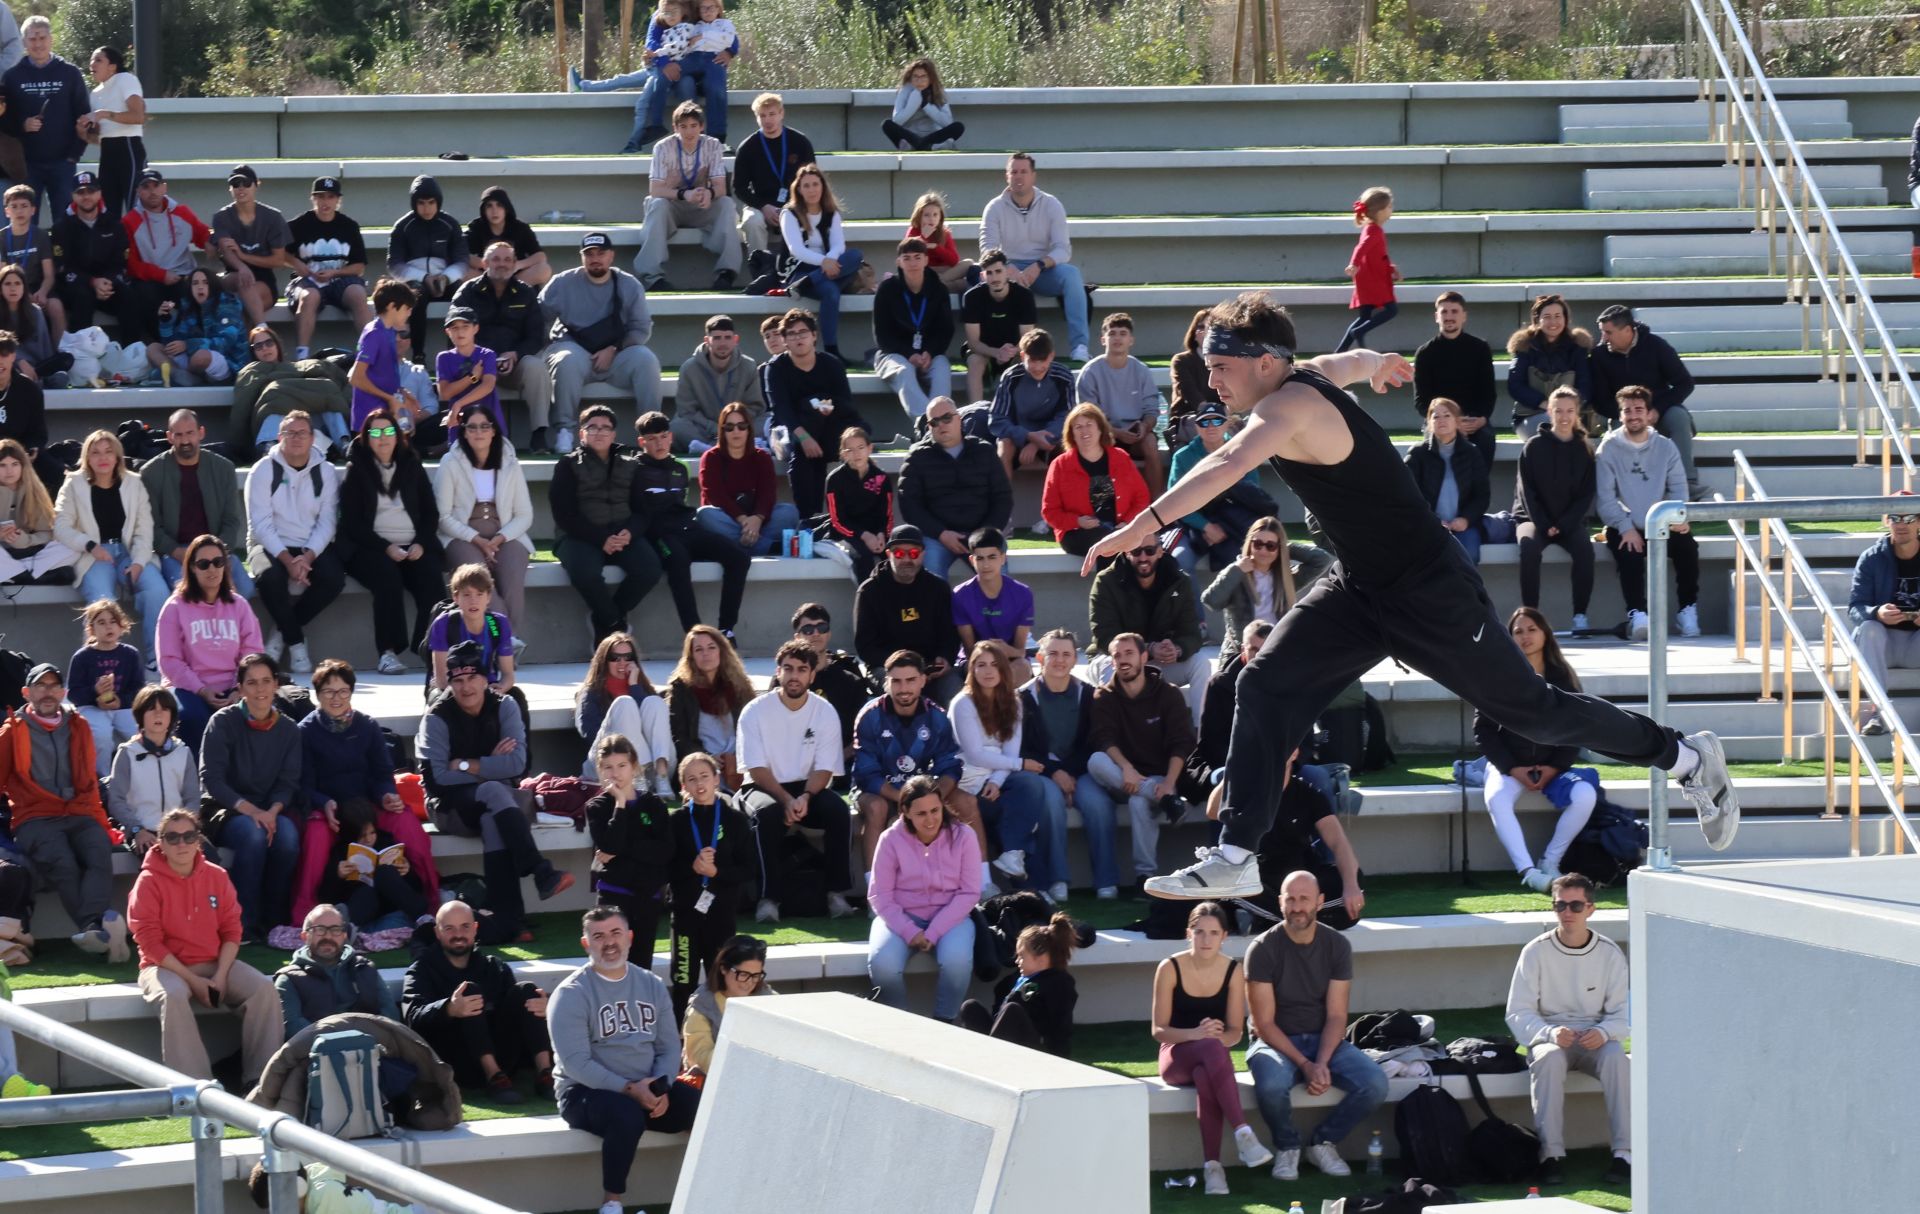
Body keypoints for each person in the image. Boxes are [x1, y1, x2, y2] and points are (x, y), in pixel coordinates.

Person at [1081, 292, 1736, 899]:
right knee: (1264, 684)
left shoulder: (1287, 406)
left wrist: (1140, 525)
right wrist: (1378, 363)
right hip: (1361, 586)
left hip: (1431, 591)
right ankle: (1237, 855)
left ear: (1264, 362)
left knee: (1535, 713)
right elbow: (1350, 359)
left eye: (1219, 366)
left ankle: (1684, 754)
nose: (1211, 380)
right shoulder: (1304, 375)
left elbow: (1225, 467)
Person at [417, 641, 574, 937]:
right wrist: (491, 764)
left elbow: (518, 764)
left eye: (473, 678)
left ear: (487, 677)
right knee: (493, 791)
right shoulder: (436, 717)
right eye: (458, 680)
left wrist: (464, 764)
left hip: (497, 807)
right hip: (448, 807)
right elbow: (437, 780)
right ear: (449, 683)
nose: (466, 687)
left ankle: (508, 921)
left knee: (493, 815)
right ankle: (539, 870)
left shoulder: (506, 705)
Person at [549, 906, 698, 1214]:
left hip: (649, 1088)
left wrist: (661, 1087)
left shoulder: (651, 984)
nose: (609, 942)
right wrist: (630, 1089)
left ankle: (705, 1196)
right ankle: (612, 1205)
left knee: (701, 1106)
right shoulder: (571, 994)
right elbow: (577, 1063)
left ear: (630, 937)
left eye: (616, 933)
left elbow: (670, 1047)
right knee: (626, 1114)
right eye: (599, 936)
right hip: (585, 1093)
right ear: (586, 944)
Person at [1242, 871, 1388, 1180]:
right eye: (1290, 899)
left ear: (1320, 902)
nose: (1297, 907)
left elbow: (1337, 1016)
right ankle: (1287, 1147)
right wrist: (1306, 1065)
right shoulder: (1262, 949)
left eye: (1304, 899)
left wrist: (1321, 1062)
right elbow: (1264, 1024)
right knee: (1271, 1085)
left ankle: (1323, 1142)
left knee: (1375, 1082)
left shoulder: (1337, 945)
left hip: (1325, 1039)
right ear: (1280, 903)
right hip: (1274, 1041)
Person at [129, 807, 284, 1082]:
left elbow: (232, 930)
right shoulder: (147, 882)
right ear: (161, 842)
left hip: (214, 962)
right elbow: (149, 942)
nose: (182, 843)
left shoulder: (217, 875)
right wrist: (193, 980)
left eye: (189, 836)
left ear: (199, 840)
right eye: (172, 837)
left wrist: (221, 975)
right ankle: (195, 1089)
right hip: (165, 967)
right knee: (173, 996)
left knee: (263, 989)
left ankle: (263, 1083)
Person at [1503, 872, 1632, 1188]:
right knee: (1547, 1059)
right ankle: (1550, 1155)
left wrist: (1602, 1033)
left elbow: (1623, 1013)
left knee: (1617, 1058)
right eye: (1561, 905)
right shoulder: (1535, 951)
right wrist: (1549, 1033)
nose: (1568, 913)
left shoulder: (1609, 953)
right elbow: (1517, 1012)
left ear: (1591, 909)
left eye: (1576, 906)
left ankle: (1625, 1155)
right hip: (1550, 1036)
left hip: (1596, 1037)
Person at [292, 658, 440, 928]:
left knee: (408, 823)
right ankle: (306, 911)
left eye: (342, 691)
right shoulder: (305, 732)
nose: (336, 698)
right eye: (328, 692)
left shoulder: (367, 726)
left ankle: (432, 900)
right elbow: (303, 784)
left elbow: (383, 774)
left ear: (351, 691)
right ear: (318, 694)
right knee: (314, 836)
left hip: (369, 806)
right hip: (331, 812)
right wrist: (324, 803)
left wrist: (386, 794)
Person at [1, 661, 123, 957]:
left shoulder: (78, 725)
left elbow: (90, 781)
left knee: (97, 849)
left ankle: (95, 930)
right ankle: (95, 925)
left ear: (63, 692)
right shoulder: (11, 731)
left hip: (79, 811)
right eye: (41, 686)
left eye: (54, 686)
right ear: (26, 692)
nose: (48, 692)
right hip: (34, 817)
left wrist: (100, 821)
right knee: (63, 862)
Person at [1153, 901, 1273, 1196]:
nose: (1205, 939)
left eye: (1213, 933)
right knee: (1209, 1047)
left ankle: (1214, 1171)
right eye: (1199, 932)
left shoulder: (1233, 970)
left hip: (1211, 1058)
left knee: (1208, 1069)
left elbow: (1233, 1033)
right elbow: (1158, 1031)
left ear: (1224, 937)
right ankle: (1243, 1133)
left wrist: (1212, 1039)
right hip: (1175, 1054)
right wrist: (1195, 1033)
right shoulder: (1169, 967)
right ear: (1188, 934)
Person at [1478, 607, 1601, 892]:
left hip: (1553, 768)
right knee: (1496, 798)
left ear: (1545, 633)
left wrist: (1555, 767)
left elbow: (1577, 726)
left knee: (1585, 795)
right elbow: (1483, 730)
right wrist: (1511, 768)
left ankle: (1550, 862)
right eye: (1518, 631)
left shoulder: (1563, 676)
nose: (1525, 636)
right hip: (1509, 766)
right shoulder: (1496, 675)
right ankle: (1529, 872)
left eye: (1532, 629)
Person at [738, 640, 856, 924]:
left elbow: (826, 769)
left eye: (802, 669)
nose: (794, 675)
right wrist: (786, 799)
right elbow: (755, 768)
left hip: (808, 787)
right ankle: (769, 899)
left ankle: (836, 894)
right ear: (778, 672)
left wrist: (803, 797)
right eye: (788, 668)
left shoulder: (824, 710)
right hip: (762, 786)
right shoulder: (755, 710)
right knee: (767, 815)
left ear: (812, 675)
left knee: (838, 811)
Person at [401, 899, 553, 1103]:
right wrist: (449, 1009)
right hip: (456, 1060)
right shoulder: (420, 970)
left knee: (528, 991)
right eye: (449, 929)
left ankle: (546, 1073)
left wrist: (547, 1008)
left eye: (464, 927)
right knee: (469, 992)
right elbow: (412, 1017)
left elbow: (516, 1015)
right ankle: (494, 1077)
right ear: (438, 932)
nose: (458, 935)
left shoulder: (494, 967)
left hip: (503, 1053)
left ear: (475, 929)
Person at [200, 652, 303, 941]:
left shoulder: (288, 729)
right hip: (225, 810)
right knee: (254, 835)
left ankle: (274, 920)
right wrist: (253, 812)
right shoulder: (222, 722)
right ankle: (242, 922)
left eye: (266, 682)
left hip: (271, 810)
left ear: (276, 685)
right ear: (240, 688)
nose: (260, 689)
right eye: (252, 683)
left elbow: (288, 781)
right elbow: (212, 779)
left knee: (289, 838)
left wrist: (271, 811)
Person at [1089, 632, 1198, 894]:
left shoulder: (1168, 694)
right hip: (1122, 776)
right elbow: (1104, 739)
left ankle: (1144, 878)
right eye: (1117, 655)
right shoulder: (1104, 696)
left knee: (1139, 800)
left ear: (1144, 657)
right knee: (1096, 761)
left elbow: (1182, 743)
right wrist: (1126, 768)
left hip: (1161, 778)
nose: (1123, 660)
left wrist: (1170, 783)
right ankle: (1167, 804)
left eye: (1129, 654)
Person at [339, 409, 446, 674]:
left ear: (398, 436)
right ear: (366, 438)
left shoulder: (411, 464)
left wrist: (421, 542)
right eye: (375, 432)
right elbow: (353, 524)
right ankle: (387, 652)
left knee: (433, 580)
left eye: (388, 431)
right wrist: (386, 548)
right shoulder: (356, 470)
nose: (382, 438)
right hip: (371, 548)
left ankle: (428, 647)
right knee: (387, 579)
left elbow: (430, 512)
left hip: (413, 546)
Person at [950, 641, 1058, 896]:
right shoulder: (962, 703)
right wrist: (1019, 765)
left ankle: (1014, 859)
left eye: (995, 665)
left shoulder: (1014, 702)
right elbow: (975, 755)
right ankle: (1032, 888)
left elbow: (1010, 751)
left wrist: (997, 782)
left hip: (996, 782)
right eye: (981, 665)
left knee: (1030, 785)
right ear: (971, 670)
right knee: (1016, 814)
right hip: (968, 784)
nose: (988, 671)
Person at [851, 651, 975, 874]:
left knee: (965, 801)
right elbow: (866, 774)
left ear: (923, 680)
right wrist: (905, 800)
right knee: (877, 808)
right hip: (879, 792)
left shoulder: (937, 717)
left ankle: (982, 882)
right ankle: (874, 890)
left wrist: (932, 798)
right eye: (896, 681)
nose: (903, 688)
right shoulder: (870, 716)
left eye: (910, 680)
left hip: (921, 793)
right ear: (886, 682)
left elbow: (950, 766)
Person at [53, 428, 168, 666]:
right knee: (102, 602)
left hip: (129, 552)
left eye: (108, 452)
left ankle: (155, 659)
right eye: (95, 452)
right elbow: (61, 526)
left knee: (157, 590)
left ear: (117, 456)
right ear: (86, 457)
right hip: (93, 555)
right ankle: (100, 663)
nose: (102, 458)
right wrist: (91, 545)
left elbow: (143, 529)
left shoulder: (134, 483)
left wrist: (138, 562)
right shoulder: (73, 483)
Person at [1020, 628, 1120, 898]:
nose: (1060, 660)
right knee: (1051, 804)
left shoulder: (1088, 694)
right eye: (1053, 653)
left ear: (1075, 660)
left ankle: (1106, 880)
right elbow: (1023, 747)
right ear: (1040, 658)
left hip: (1080, 771)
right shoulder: (1024, 697)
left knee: (1098, 805)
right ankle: (1058, 880)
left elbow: (1092, 742)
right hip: (1044, 773)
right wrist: (1055, 773)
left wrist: (1070, 774)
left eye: (1066, 654)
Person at [245, 411, 345, 675]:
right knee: (270, 579)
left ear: (313, 438)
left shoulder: (326, 471)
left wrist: (308, 557)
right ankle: (297, 643)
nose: (296, 438)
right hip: (267, 543)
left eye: (302, 433)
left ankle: (282, 632)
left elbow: (327, 522)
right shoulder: (263, 470)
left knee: (334, 579)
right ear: (279, 437)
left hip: (310, 545)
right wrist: (288, 561)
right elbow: (261, 524)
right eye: (290, 433)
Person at [635, 410, 751, 637]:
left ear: (670, 437)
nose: (659, 443)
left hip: (688, 528)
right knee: (678, 561)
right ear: (642, 442)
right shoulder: (633, 469)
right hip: (659, 535)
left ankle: (726, 630)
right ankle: (695, 636)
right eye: (652, 438)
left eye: (663, 436)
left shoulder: (680, 467)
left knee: (739, 558)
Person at [552, 403, 661, 640]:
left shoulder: (632, 465)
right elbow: (564, 515)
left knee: (649, 568)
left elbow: (643, 511)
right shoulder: (567, 465)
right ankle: (614, 624)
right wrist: (601, 539)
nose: (599, 432)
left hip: (622, 533)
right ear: (582, 433)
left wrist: (629, 533)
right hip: (579, 536)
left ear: (614, 434)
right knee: (586, 573)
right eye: (592, 427)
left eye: (605, 428)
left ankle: (606, 617)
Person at [1597, 386, 1699, 641]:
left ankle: (1687, 609)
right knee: (1629, 552)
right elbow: (1605, 498)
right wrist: (1625, 526)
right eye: (1627, 411)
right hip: (1625, 524)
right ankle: (1638, 613)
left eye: (1639, 410)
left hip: (1661, 522)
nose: (1633, 416)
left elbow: (1678, 488)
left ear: (1650, 414)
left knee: (1687, 547)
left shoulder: (1666, 447)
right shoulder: (1608, 448)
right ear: (1620, 415)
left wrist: (1678, 517)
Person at [541, 232, 664, 430]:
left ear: (611, 256)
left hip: (617, 354)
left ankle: (653, 429)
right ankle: (564, 430)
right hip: (574, 350)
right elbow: (539, 318)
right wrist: (547, 348)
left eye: (601, 253)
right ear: (582, 257)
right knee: (566, 360)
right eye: (589, 254)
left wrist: (615, 348)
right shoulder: (562, 283)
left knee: (646, 359)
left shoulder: (629, 284)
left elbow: (641, 328)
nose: (595, 259)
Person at [1086, 539, 1210, 725]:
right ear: (1126, 552)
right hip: (1115, 657)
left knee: (1201, 663)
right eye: (1136, 551)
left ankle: (1203, 740)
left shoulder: (1179, 580)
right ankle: (1114, 741)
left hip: (1160, 661)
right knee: (1110, 667)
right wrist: (1148, 649)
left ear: (1160, 552)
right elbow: (1105, 638)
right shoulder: (1106, 581)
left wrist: (1177, 649)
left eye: (1149, 550)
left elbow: (1192, 633)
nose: (1143, 557)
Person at [155, 534, 261, 750]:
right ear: (192, 568)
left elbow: (253, 655)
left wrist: (238, 689)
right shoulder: (174, 607)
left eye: (218, 562)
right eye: (203, 564)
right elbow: (170, 661)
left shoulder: (239, 605)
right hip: (189, 689)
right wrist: (202, 690)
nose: (212, 569)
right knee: (192, 719)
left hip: (235, 687)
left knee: (258, 715)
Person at [435, 401, 533, 631]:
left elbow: (524, 514)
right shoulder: (450, 462)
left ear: (494, 430)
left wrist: (500, 538)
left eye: (484, 426)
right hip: (462, 535)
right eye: (472, 427)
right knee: (479, 581)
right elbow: (443, 516)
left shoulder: (509, 461)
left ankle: (509, 643)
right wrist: (476, 539)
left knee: (512, 578)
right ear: (464, 432)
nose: (479, 432)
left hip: (504, 533)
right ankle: (505, 639)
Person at [667, 750, 753, 1012]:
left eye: (705, 776)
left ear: (717, 778)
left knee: (723, 983)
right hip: (685, 917)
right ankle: (683, 1043)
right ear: (684, 786)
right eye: (691, 779)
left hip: (721, 917)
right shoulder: (677, 821)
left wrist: (717, 873)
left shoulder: (735, 820)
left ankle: (721, 1040)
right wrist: (692, 867)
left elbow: (749, 869)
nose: (699, 784)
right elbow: (664, 869)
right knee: (683, 982)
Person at [980, 154, 1088, 361]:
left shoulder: (1051, 204)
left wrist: (1039, 265)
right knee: (979, 277)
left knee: (1072, 275)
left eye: (1024, 172)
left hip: (1042, 270)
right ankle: (984, 350)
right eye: (1014, 172)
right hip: (1006, 270)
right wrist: (1008, 268)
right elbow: (987, 248)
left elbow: (1063, 249)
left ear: (1033, 176)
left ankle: (1080, 347)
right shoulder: (994, 207)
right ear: (1006, 176)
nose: (1018, 177)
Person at [449, 240, 553, 451]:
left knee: (536, 366)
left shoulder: (526, 293)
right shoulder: (467, 292)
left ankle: (539, 434)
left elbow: (536, 336)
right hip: (476, 364)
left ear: (515, 263)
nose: (502, 264)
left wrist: (516, 354)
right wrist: (485, 358)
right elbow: (455, 332)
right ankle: (465, 435)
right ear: (485, 263)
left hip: (514, 364)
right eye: (496, 259)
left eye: (508, 259)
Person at [763, 306, 866, 520]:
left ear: (814, 336)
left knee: (848, 437)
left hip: (828, 424)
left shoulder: (831, 364)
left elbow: (847, 404)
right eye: (791, 334)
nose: (798, 338)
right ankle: (809, 518)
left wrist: (826, 406)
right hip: (788, 430)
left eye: (802, 332)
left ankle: (839, 518)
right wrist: (804, 435)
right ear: (784, 340)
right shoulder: (776, 367)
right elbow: (781, 410)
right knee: (803, 453)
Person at [897, 396, 1013, 580]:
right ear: (929, 427)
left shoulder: (984, 450)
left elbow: (1003, 497)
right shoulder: (917, 457)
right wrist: (941, 534)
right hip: (937, 538)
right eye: (934, 422)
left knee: (999, 584)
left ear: (959, 418)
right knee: (931, 583)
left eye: (946, 418)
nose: (941, 425)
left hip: (982, 533)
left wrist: (983, 533)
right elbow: (909, 505)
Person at [1590, 304, 1699, 497]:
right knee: (1618, 431)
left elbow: (1685, 383)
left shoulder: (1656, 346)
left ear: (1627, 330)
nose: (1603, 338)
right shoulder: (1599, 356)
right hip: (1621, 415)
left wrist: (1656, 410)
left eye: (1608, 332)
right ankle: (1622, 490)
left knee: (1679, 418)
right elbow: (1599, 401)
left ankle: (1687, 482)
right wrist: (1630, 413)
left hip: (1660, 412)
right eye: (1602, 332)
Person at [145, 409, 253, 596]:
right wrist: (179, 553)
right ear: (169, 437)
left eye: (190, 433)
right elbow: (152, 527)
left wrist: (216, 556)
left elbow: (231, 521)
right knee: (188, 594)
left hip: (216, 550)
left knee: (245, 589)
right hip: (176, 553)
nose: (185, 441)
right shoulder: (152, 472)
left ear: (201, 433)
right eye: (178, 435)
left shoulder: (223, 469)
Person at [636, 101, 741, 293]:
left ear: (702, 126)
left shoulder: (713, 145)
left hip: (701, 205)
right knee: (657, 204)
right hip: (671, 205)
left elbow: (720, 187)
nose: (689, 132)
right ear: (675, 128)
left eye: (694, 126)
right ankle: (652, 277)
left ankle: (727, 273)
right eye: (683, 126)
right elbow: (655, 189)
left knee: (726, 204)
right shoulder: (662, 147)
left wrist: (709, 194)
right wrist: (685, 194)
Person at [584, 733, 673, 957]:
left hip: (647, 896)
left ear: (634, 766)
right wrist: (620, 804)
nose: (615, 773)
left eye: (622, 765)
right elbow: (610, 845)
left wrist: (624, 848)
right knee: (610, 962)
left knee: (641, 964)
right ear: (600, 770)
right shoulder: (597, 806)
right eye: (608, 767)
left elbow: (665, 851)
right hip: (613, 895)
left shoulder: (653, 804)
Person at [853, 524, 963, 703]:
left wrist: (944, 658)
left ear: (922, 555)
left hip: (930, 669)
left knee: (957, 696)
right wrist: (907, 670)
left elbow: (950, 635)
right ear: (888, 554)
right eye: (899, 553)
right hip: (888, 668)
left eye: (913, 553)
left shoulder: (938, 589)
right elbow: (866, 647)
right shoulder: (869, 591)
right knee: (898, 689)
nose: (906, 559)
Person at [1516, 388, 1596, 629]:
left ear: (1577, 413)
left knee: (1585, 551)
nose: (1564, 416)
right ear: (1549, 412)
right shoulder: (1533, 446)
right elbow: (1526, 492)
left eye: (1570, 411)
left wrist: (1563, 525)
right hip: (1533, 519)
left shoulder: (1585, 449)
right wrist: (1543, 524)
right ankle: (1531, 617)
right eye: (1558, 411)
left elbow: (1585, 496)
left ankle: (1580, 616)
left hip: (1569, 521)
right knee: (1529, 549)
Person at [1203, 517, 1330, 667]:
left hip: (1277, 654)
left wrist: (1284, 548)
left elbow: (1321, 560)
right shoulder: (1237, 573)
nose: (1263, 550)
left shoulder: (1286, 579)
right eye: (1257, 544)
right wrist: (1236, 571)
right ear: (1250, 544)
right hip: (1241, 655)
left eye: (1270, 546)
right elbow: (1211, 601)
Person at [1167, 400, 1269, 577]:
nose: (1211, 427)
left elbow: (1254, 497)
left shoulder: (1243, 452)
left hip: (1234, 524)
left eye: (1217, 421)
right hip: (1193, 525)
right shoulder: (1183, 457)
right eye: (1204, 422)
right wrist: (1206, 526)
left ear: (1226, 424)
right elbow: (1173, 503)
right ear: (1197, 427)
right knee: (1179, 561)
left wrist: (1223, 527)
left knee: (1252, 558)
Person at [1, 19, 90, 221]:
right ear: (24, 42)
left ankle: (61, 254)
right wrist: (22, 125)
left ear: (51, 39)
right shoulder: (12, 76)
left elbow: (84, 116)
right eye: (32, 38)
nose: (38, 43)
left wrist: (74, 155)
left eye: (42, 37)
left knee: (65, 222)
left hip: (63, 163)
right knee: (23, 223)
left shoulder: (70, 73)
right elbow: (4, 121)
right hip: (26, 165)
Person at [956, 912, 1077, 1055]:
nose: (1018, 961)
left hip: (1041, 1051)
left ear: (1042, 957)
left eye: (1022, 956)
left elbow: (1023, 1001)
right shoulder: (1025, 979)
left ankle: (988, 1057)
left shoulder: (1057, 982)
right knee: (970, 1007)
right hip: (1009, 1041)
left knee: (1012, 1009)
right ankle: (983, 1053)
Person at [273, 903, 401, 1037]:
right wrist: (342, 1040)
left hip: (374, 1049)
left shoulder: (364, 969)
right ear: (305, 937)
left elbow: (391, 1016)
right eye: (320, 929)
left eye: (335, 930)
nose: (328, 937)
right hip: (315, 1054)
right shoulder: (289, 979)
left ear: (344, 935)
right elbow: (293, 1028)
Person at [1849, 498, 1920, 736]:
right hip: (1882, 644)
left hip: (1915, 644)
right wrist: (1876, 612)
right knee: (1869, 627)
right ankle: (1879, 713)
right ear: (1886, 521)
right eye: (1895, 518)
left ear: (1918, 522)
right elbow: (1855, 608)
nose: (1902, 524)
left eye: (1909, 518)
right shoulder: (1872, 558)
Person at [1043, 401, 1152, 556]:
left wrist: (1127, 523)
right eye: (1078, 427)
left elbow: (1142, 498)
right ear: (1071, 433)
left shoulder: (1121, 458)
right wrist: (1077, 521)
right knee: (1109, 542)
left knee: (1147, 543)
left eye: (1089, 424)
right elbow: (1050, 511)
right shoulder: (1060, 465)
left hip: (1121, 529)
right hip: (1077, 533)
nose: (1084, 430)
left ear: (1100, 429)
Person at [779, 164, 864, 362]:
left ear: (823, 186)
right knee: (831, 292)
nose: (811, 190)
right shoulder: (789, 214)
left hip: (825, 269)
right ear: (799, 189)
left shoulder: (831, 213)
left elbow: (838, 245)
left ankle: (808, 284)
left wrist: (828, 262)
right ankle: (831, 351)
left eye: (815, 184)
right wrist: (823, 262)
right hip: (799, 270)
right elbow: (796, 250)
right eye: (806, 185)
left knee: (855, 255)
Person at [284, 176, 374, 361]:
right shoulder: (298, 225)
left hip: (340, 279)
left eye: (331, 197)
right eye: (321, 196)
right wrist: (297, 263)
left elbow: (359, 267)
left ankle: (370, 352)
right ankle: (302, 356)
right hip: (307, 280)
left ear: (338, 200)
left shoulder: (349, 226)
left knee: (358, 293)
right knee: (310, 297)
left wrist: (335, 272)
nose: (326, 202)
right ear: (313, 198)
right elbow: (280, 254)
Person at [575, 633, 676, 796]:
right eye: (615, 658)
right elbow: (590, 733)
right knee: (625, 704)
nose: (622, 662)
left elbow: (660, 733)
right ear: (604, 661)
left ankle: (662, 778)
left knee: (655, 703)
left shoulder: (643, 689)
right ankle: (636, 778)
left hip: (653, 771)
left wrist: (634, 686)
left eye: (628, 657)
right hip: (608, 766)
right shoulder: (592, 692)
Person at [52, 168, 147, 337]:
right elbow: (62, 267)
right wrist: (91, 281)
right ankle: (80, 354)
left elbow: (120, 262)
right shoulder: (61, 227)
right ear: (73, 196)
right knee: (83, 296)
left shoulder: (115, 224)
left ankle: (132, 351)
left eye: (91, 191)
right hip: (76, 286)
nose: (86, 196)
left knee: (129, 295)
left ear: (99, 193)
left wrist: (107, 282)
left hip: (107, 285)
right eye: (80, 192)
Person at [696, 401, 799, 556]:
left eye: (741, 426)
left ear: (748, 429)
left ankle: (741, 545)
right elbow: (715, 496)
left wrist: (757, 519)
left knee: (789, 513)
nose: (735, 431)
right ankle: (765, 546)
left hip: (757, 521)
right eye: (729, 427)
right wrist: (744, 520)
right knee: (704, 515)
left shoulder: (762, 457)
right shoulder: (711, 457)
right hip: (727, 518)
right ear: (722, 431)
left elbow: (768, 494)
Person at [312, 797, 429, 932]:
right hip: (362, 908)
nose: (368, 839)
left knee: (384, 872)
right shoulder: (340, 852)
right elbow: (326, 897)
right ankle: (347, 929)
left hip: (392, 905)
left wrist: (407, 871)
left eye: (372, 833)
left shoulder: (386, 843)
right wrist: (338, 875)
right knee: (367, 891)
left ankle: (422, 918)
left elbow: (415, 887)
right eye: (362, 836)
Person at [227, 329, 352, 455]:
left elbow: (340, 385)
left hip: (311, 424)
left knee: (327, 390)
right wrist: (239, 443)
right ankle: (268, 445)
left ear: (277, 344)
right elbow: (242, 406)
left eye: (269, 343)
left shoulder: (301, 366)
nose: (265, 348)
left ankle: (343, 443)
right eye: (258, 346)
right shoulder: (252, 372)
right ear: (253, 352)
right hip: (275, 423)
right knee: (276, 394)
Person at [105, 685, 198, 853]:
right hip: (144, 833)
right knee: (161, 864)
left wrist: (184, 831)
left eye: (164, 709)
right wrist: (137, 830)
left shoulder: (183, 752)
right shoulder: (128, 753)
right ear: (140, 716)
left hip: (180, 833)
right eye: (151, 709)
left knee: (211, 863)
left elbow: (192, 798)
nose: (158, 714)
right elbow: (116, 801)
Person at [1077, 314, 1166, 489]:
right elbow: (1088, 417)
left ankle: (1157, 505)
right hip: (1103, 433)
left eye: (1123, 333)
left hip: (1135, 434)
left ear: (1131, 340)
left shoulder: (1141, 370)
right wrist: (1115, 432)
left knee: (1150, 442)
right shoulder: (1090, 372)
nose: (1117, 338)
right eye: (1112, 334)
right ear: (1103, 340)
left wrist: (1144, 426)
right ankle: (1103, 506)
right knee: (1096, 446)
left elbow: (1152, 410)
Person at [1413, 290, 1497, 468]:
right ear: (1436, 316)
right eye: (1444, 312)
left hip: (1473, 420)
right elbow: (1421, 402)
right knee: (1431, 447)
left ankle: (1477, 495)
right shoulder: (1425, 353)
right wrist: (1450, 421)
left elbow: (1488, 393)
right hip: (1439, 418)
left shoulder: (1480, 348)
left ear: (1464, 316)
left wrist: (1482, 418)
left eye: (1454, 311)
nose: (1449, 317)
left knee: (1485, 439)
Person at [386, 175, 468, 358]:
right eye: (421, 203)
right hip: (414, 281)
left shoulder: (450, 225)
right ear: (414, 203)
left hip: (445, 278)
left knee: (462, 296)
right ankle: (418, 355)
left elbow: (462, 260)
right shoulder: (402, 226)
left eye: (431, 202)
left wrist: (446, 277)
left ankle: (456, 355)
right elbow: (394, 265)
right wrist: (423, 277)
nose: (427, 208)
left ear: (438, 202)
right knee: (417, 297)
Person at [873, 236, 955, 419]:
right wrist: (909, 354)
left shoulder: (939, 289)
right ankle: (928, 425)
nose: (912, 263)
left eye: (918, 257)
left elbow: (945, 330)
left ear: (926, 260)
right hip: (893, 354)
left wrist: (930, 352)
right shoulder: (887, 289)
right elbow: (882, 337)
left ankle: (943, 420)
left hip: (928, 355)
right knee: (904, 370)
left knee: (942, 367)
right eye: (907, 258)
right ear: (899, 262)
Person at [784, 602, 874, 767]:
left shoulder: (851, 681)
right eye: (808, 630)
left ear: (829, 633)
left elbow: (861, 735)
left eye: (822, 627)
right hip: (792, 765)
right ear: (797, 637)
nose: (816, 633)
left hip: (840, 765)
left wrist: (832, 762)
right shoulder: (785, 680)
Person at [664, 625, 754, 788]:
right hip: (701, 764)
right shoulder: (681, 689)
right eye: (699, 649)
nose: (706, 653)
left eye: (711, 647)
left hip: (738, 762)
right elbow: (678, 736)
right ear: (691, 656)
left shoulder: (740, 685)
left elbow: (754, 728)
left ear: (721, 651)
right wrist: (706, 757)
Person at [732, 93, 815, 268]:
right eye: (762, 115)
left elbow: (812, 180)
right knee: (752, 222)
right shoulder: (747, 147)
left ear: (781, 113)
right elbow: (739, 187)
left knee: (810, 217)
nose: (768, 120)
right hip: (760, 204)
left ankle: (801, 270)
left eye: (772, 114)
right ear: (756, 118)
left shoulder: (800, 142)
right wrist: (764, 206)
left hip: (795, 202)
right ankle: (761, 272)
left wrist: (792, 206)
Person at [989, 328, 1075, 497]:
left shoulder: (1064, 376)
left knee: (1068, 449)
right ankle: (1004, 509)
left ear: (1051, 356)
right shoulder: (1011, 377)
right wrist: (1027, 436)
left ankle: (1060, 514)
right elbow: (997, 420)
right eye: (1032, 360)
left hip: (1051, 437)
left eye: (1042, 360)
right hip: (1017, 436)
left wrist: (1038, 442)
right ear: (1022, 357)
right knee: (1004, 446)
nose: (1037, 367)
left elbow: (1068, 417)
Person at [1405, 397, 1490, 564]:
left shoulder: (1472, 453)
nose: (1441, 420)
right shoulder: (1417, 454)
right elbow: (1408, 494)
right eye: (1435, 416)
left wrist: (1465, 519)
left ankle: (1466, 591)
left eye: (1447, 415)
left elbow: (1482, 495)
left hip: (1464, 525)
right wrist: (1433, 520)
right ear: (1429, 422)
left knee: (1469, 556)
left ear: (1457, 421)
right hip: (1428, 524)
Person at [210, 165, 293, 327]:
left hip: (264, 280)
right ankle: (263, 332)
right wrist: (241, 266)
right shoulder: (221, 217)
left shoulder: (273, 217)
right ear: (230, 189)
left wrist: (243, 256)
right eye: (235, 184)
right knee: (238, 282)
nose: (241, 188)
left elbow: (278, 260)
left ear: (256, 185)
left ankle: (258, 336)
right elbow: (226, 251)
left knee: (240, 306)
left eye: (246, 183)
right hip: (233, 275)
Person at [67, 597, 141, 777]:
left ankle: (142, 775)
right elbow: (73, 694)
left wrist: (120, 700)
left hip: (123, 706)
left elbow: (139, 689)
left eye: (113, 622)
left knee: (139, 733)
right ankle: (103, 778)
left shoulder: (130, 654)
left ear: (121, 625)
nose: (108, 627)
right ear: (91, 629)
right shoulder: (82, 657)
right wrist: (95, 692)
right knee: (101, 736)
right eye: (101, 622)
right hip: (91, 706)